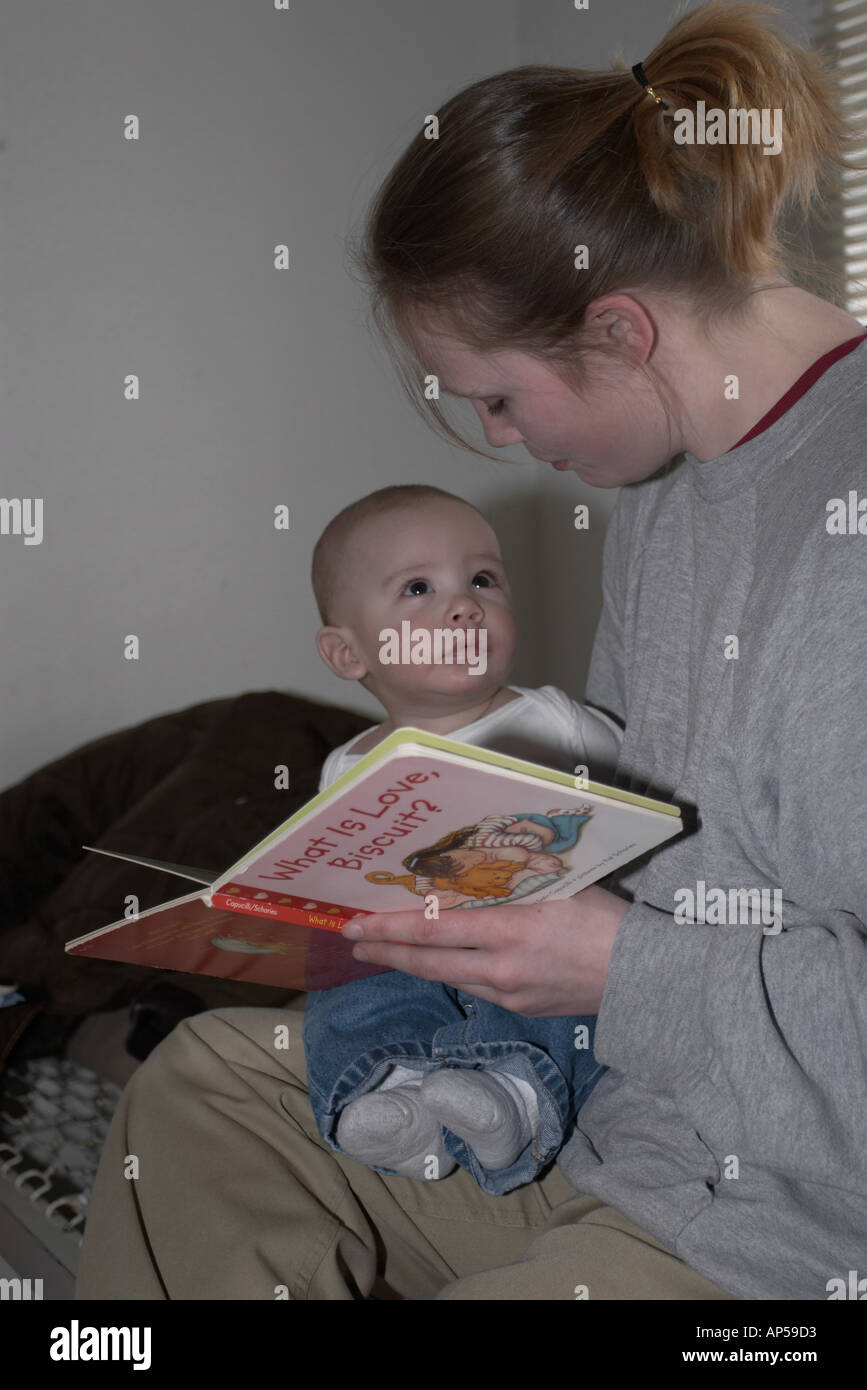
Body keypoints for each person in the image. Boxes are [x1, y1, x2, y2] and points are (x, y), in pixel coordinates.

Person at [75, 0, 867, 1300]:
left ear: (617, 331)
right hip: (611, 1114)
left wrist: (616, 965)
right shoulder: (663, 494)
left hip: (781, 1224)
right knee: (209, 1089)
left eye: (495, 396)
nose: (496, 441)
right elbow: (626, 819)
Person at [303, 483, 621, 1193]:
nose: (463, 603)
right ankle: (391, 1090)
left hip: (533, 946)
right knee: (343, 974)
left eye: (482, 579)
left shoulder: (561, 726)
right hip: (414, 945)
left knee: (553, 974)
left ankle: (513, 1097)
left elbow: (654, 827)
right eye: (417, 587)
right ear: (347, 653)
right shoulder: (345, 767)